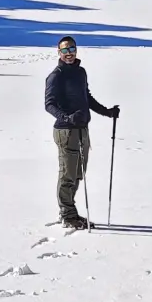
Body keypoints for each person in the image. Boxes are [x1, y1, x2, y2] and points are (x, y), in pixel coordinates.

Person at [43, 36, 118, 230]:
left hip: (82, 129)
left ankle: (71, 212)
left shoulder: (80, 72)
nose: (69, 54)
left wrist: (107, 112)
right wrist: (67, 118)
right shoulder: (56, 76)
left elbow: (87, 98)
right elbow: (49, 104)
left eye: (72, 49)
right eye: (65, 50)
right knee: (67, 174)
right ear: (59, 52)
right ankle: (67, 215)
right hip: (66, 131)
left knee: (77, 173)